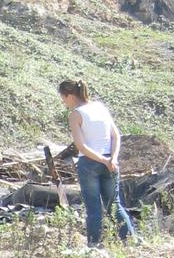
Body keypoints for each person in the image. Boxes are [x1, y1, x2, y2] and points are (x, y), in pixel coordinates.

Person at [58, 80, 135, 246]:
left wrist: (103, 160)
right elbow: (116, 135)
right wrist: (112, 159)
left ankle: (94, 245)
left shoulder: (75, 115)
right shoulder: (100, 107)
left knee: (94, 209)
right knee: (114, 205)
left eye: (63, 98)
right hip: (110, 162)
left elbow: (81, 147)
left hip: (89, 164)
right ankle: (130, 241)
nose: (63, 102)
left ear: (70, 96)